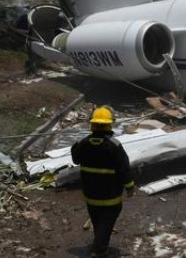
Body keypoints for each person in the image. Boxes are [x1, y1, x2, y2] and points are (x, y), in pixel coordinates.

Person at [71, 106, 135, 257]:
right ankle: (100, 249)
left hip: (90, 194)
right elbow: (123, 168)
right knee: (107, 221)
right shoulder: (114, 145)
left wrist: (76, 144)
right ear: (109, 125)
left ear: (92, 124)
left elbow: (75, 159)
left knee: (97, 219)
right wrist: (130, 186)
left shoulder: (83, 143)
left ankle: (99, 242)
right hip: (110, 196)